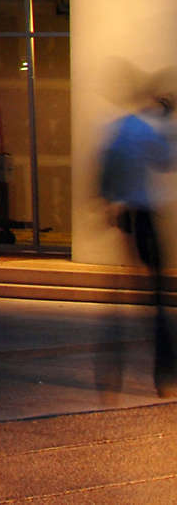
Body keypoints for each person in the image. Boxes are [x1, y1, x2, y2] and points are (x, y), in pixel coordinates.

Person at [98, 84, 176, 396]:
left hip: (126, 215)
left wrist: (107, 202)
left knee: (129, 292)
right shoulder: (147, 130)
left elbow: (106, 171)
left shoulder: (117, 129)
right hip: (145, 215)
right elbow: (166, 160)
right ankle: (165, 370)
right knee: (156, 295)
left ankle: (114, 376)